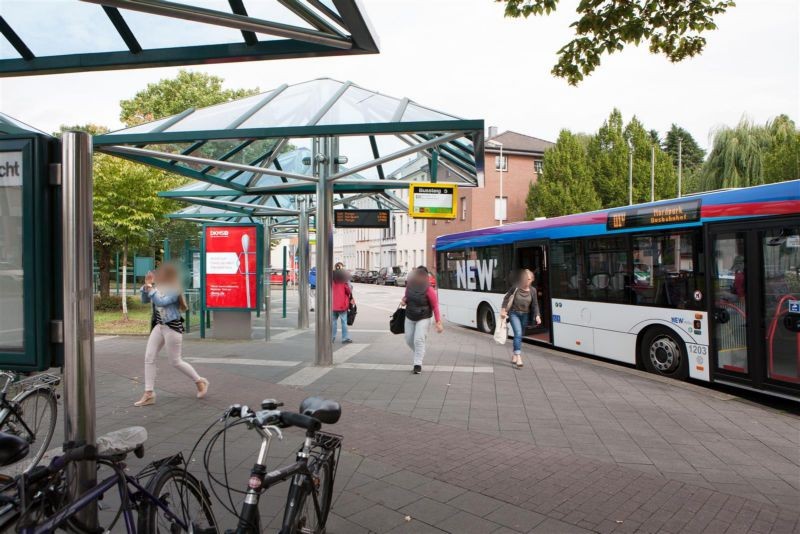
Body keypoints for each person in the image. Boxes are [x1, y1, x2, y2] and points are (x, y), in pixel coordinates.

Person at [135, 263, 208, 407]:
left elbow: (161, 302)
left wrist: (150, 288)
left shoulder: (174, 289)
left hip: (172, 328)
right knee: (149, 357)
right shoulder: (156, 288)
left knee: (175, 361)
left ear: (166, 275)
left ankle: (199, 381)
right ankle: (149, 393)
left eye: (159, 272)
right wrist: (146, 287)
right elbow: (145, 300)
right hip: (159, 326)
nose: (156, 274)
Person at [400, 266, 443, 374]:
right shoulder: (409, 285)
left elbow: (435, 306)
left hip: (424, 317)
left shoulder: (429, 289)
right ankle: (420, 351)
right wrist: (404, 301)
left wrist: (438, 322)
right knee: (409, 340)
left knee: (418, 340)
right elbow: (406, 297)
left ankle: (417, 364)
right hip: (410, 315)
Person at [500, 269, 541, 368]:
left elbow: (535, 304)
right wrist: (503, 310)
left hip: (525, 315)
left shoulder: (533, 290)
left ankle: (514, 354)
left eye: (530, 279)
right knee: (518, 333)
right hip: (514, 313)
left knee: (519, 335)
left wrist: (537, 315)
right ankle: (518, 356)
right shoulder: (516, 287)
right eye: (526, 279)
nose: (528, 281)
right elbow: (506, 297)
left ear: (532, 280)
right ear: (523, 279)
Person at [332, 267, 353, 344]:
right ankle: (345, 338)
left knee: (333, 321)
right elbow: (349, 291)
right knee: (343, 322)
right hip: (342, 306)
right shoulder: (344, 283)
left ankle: (332, 337)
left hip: (333, 305)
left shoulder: (331, 282)